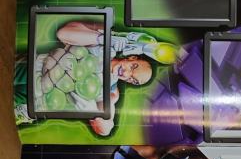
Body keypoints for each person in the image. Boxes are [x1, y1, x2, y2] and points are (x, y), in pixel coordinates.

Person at [15, 21, 159, 137]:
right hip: (30, 69)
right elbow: (63, 33)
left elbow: (105, 129)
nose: (127, 74)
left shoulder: (111, 92)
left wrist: (93, 112)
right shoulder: (100, 46)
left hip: (32, 102)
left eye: (133, 79)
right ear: (132, 57)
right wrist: (105, 38)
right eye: (133, 67)